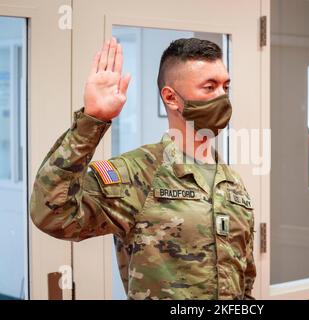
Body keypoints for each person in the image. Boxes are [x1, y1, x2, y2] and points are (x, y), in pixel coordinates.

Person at [30, 37, 256, 300]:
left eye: (225, 87)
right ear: (172, 98)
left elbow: (245, 278)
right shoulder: (137, 172)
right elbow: (52, 215)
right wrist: (93, 120)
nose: (222, 97)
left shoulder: (232, 183)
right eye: (209, 87)